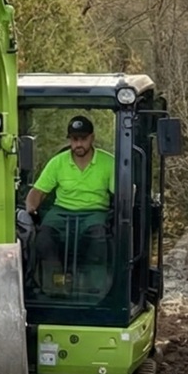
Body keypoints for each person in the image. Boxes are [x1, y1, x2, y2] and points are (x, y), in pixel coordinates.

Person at [24, 115, 115, 282]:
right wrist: (31, 209)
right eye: (74, 139)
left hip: (95, 211)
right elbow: (38, 191)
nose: (78, 144)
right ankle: (56, 281)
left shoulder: (109, 162)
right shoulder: (57, 162)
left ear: (92, 138)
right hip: (62, 210)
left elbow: (121, 192)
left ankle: (94, 284)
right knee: (43, 238)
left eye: (83, 139)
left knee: (98, 238)